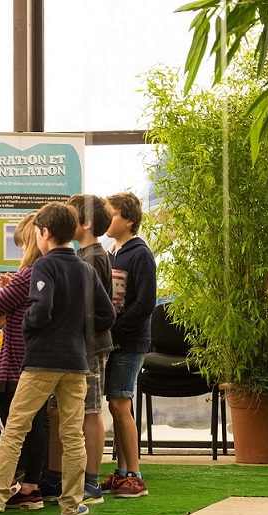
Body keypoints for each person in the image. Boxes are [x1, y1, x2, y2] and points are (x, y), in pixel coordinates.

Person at [0, 202, 116, 515]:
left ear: (44, 233)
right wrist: (77, 328)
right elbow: (107, 315)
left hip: (42, 363)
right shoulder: (86, 268)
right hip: (77, 363)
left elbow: (42, 308)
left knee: (16, 428)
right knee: (72, 434)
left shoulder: (44, 267)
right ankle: (72, 503)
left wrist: (28, 326)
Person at [41, 195, 114, 505]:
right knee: (60, 412)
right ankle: (57, 476)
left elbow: (99, 309)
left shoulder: (93, 257)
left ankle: (91, 481)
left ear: (84, 223)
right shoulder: (82, 255)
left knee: (91, 409)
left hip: (92, 346)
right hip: (76, 347)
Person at [0, 212, 48, 510]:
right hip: (36, 357)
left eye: (22, 244)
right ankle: (29, 484)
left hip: (19, 360)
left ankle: (10, 481)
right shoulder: (44, 274)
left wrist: (8, 291)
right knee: (35, 420)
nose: (20, 250)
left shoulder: (27, 274)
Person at [101, 191, 156, 498]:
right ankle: (121, 472)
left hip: (130, 340)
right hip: (114, 339)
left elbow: (145, 303)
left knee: (121, 403)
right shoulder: (112, 252)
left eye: (111, 214)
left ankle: (135, 474)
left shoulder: (140, 254)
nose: (106, 220)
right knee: (115, 403)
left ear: (129, 220)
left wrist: (118, 331)